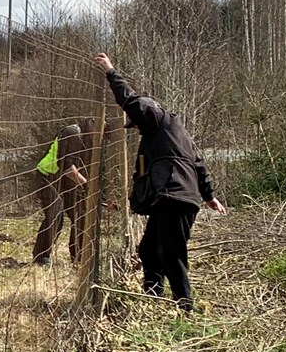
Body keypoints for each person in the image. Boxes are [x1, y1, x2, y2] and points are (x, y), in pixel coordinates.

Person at [92, 53, 228, 311]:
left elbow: (131, 102)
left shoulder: (156, 117)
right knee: (149, 250)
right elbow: (198, 164)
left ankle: (185, 307)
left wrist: (111, 73)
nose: (138, 128)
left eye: (137, 124)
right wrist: (209, 196)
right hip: (173, 198)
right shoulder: (176, 133)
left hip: (173, 197)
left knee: (171, 254)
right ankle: (153, 298)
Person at [33, 121, 90, 266]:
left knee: (80, 215)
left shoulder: (88, 139)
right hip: (48, 177)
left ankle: (78, 258)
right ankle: (41, 258)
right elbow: (67, 166)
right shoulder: (72, 133)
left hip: (64, 181)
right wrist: (86, 184)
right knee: (55, 217)